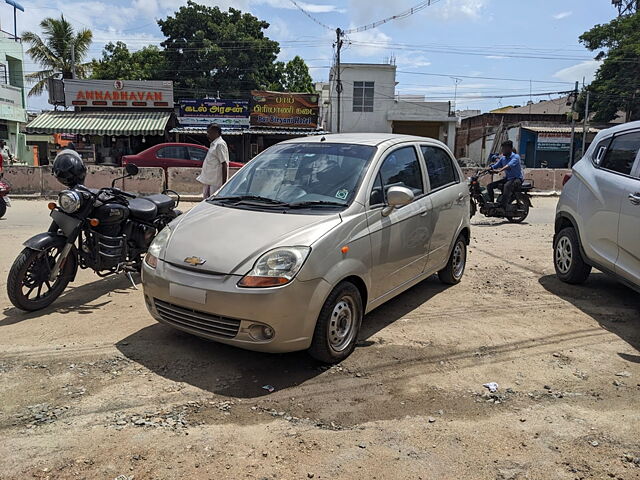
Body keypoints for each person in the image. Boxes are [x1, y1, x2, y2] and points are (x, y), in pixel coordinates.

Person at [487, 140, 524, 208]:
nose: (503, 150)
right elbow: (496, 165)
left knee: (506, 186)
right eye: (502, 148)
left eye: (504, 149)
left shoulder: (516, 157)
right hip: (508, 178)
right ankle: (491, 204)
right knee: (490, 186)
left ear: (509, 149)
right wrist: (487, 169)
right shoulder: (503, 158)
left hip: (517, 179)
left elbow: (509, 165)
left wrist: (499, 171)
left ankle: (503, 206)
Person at [197, 123, 229, 199]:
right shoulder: (214, 144)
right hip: (209, 181)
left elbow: (224, 164)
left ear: (216, 132)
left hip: (215, 183)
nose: (208, 135)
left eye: (209, 133)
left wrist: (223, 185)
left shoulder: (220, 144)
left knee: (211, 203)